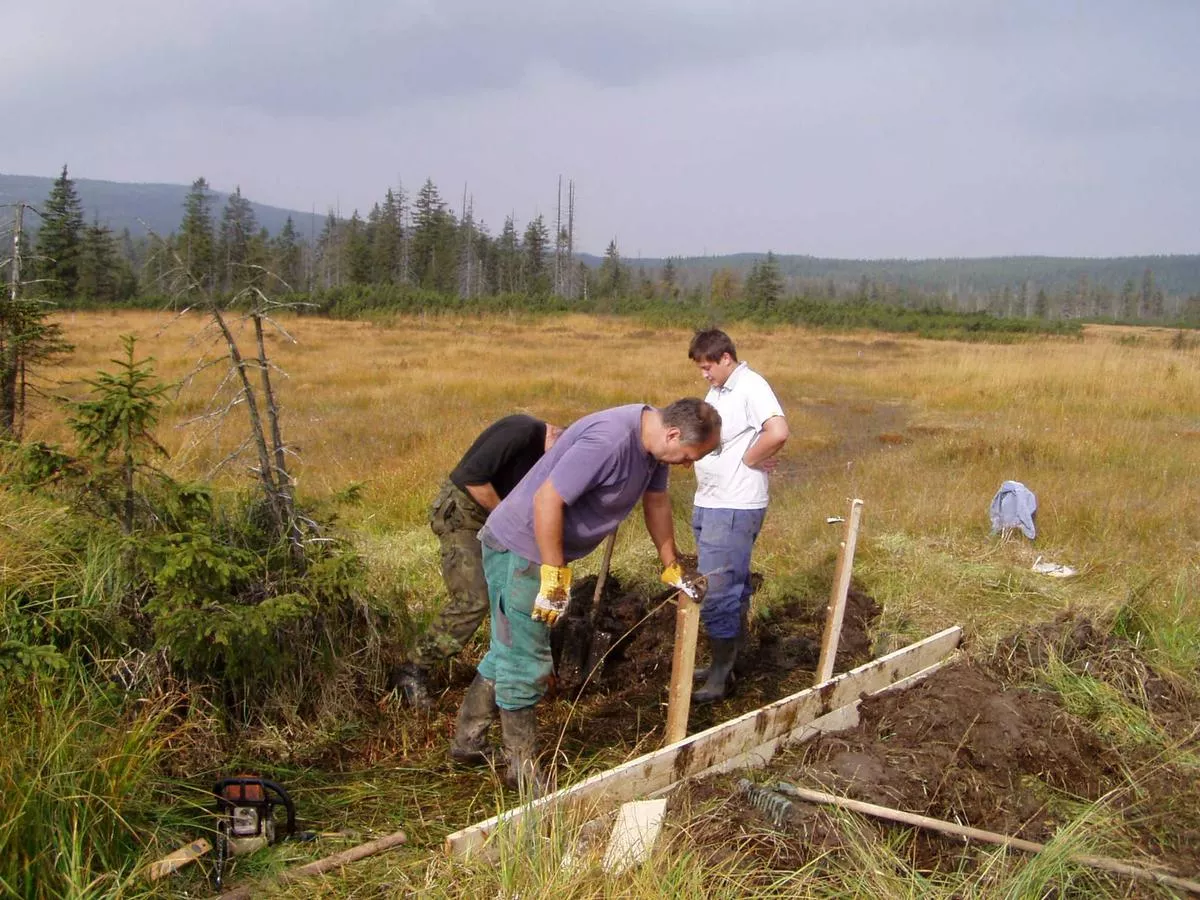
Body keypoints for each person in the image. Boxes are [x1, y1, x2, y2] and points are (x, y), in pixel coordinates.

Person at [449, 398, 721, 792]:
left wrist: (671, 563)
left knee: (509, 647)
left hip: (535, 550)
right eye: (687, 456)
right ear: (673, 434)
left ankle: (467, 744)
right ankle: (521, 771)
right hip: (521, 549)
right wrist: (555, 574)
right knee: (525, 659)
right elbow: (547, 500)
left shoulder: (653, 449)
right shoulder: (610, 441)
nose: (687, 465)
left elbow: (656, 501)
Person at [392, 414, 563, 709]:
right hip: (463, 514)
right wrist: (507, 516)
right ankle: (412, 670)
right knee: (474, 599)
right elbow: (472, 480)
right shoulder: (522, 430)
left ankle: (515, 668)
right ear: (558, 441)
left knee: (512, 591)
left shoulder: (539, 451)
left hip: (491, 519)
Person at [687, 329, 789, 703]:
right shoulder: (720, 390)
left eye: (707, 367)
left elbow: (777, 431)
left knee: (718, 592)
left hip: (733, 507)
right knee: (731, 586)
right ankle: (727, 665)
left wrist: (751, 458)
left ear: (726, 358)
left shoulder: (751, 386)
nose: (704, 374)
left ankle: (719, 678)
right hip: (712, 503)